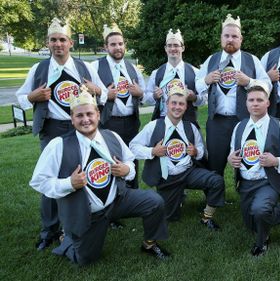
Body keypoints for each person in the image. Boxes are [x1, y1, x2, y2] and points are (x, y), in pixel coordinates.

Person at [29, 87, 170, 266]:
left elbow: (129, 161)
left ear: (97, 114)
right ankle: (69, 237)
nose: (85, 119)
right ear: (72, 119)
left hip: (117, 200)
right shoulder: (58, 145)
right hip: (87, 212)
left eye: (89, 113)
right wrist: (69, 183)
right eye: (79, 115)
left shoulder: (111, 136)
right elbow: (39, 181)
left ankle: (149, 244)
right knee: (85, 259)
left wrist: (126, 170)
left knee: (154, 201)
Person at [16, 18, 107, 251]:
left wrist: (97, 91)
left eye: (62, 40)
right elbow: (20, 97)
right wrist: (31, 97)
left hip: (82, 129)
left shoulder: (85, 68)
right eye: (53, 40)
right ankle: (49, 230)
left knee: (83, 174)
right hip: (53, 128)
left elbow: (104, 94)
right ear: (48, 43)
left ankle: (78, 225)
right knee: (51, 177)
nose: (58, 44)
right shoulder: (39, 69)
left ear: (70, 43)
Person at [130, 86, 225, 229]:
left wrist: (195, 152)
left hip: (188, 172)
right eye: (174, 103)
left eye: (181, 104)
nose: (177, 107)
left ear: (186, 107)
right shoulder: (153, 125)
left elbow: (201, 150)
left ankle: (207, 217)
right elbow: (132, 147)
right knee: (170, 217)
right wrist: (152, 151)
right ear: (167, 104)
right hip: (167, 178)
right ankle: (177, 197)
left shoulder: (191, 127)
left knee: (216, 181)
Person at [195, 14, 271, 176]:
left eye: (234, 36)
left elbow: (267, 85)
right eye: (226, 36)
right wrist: (206, 80)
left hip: (244, 120)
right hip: (217, 121)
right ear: (221, 38)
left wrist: (249, 81)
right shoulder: (211, 59)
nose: (230, 39)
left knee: (246, 156)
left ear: (241, 39)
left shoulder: (252, 60)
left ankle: (246, 192)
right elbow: (197, 85)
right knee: (215, 160)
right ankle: (214, 199)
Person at [227, 80, 280, 256]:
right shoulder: (239, 127)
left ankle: (262, 241)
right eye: (251, 100)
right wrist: (230, 158)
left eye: (259, 100)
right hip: (246, 183)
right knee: (251, 223)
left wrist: (276, 161)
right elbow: (231, 153)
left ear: (267, 103)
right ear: (246, 103)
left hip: (268, 182)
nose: (255, 104)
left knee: (260, 211)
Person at [91, 23, 145, 191]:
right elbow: (88, 94)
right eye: (113, 44)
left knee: (131, 158)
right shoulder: (95, 67)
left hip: (131, 122)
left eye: (120, 44)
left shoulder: (133, 68)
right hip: (108, 122)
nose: (117, 47)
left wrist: (140, 93)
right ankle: (113, 195)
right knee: (111, 159)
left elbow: (144, 95)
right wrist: (105, 95)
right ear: (106, 47)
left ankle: (133, 193)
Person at [143, 29, 202, 128]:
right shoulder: (156, 73)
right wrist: (154, 96)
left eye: (176, 45)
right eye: (169, 46)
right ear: (165, 48)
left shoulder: (195, 72)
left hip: (187, 121)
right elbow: (146, 98)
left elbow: (203, 99)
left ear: (182, 48)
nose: (172, 48)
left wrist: (194, 97)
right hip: (163, 121)